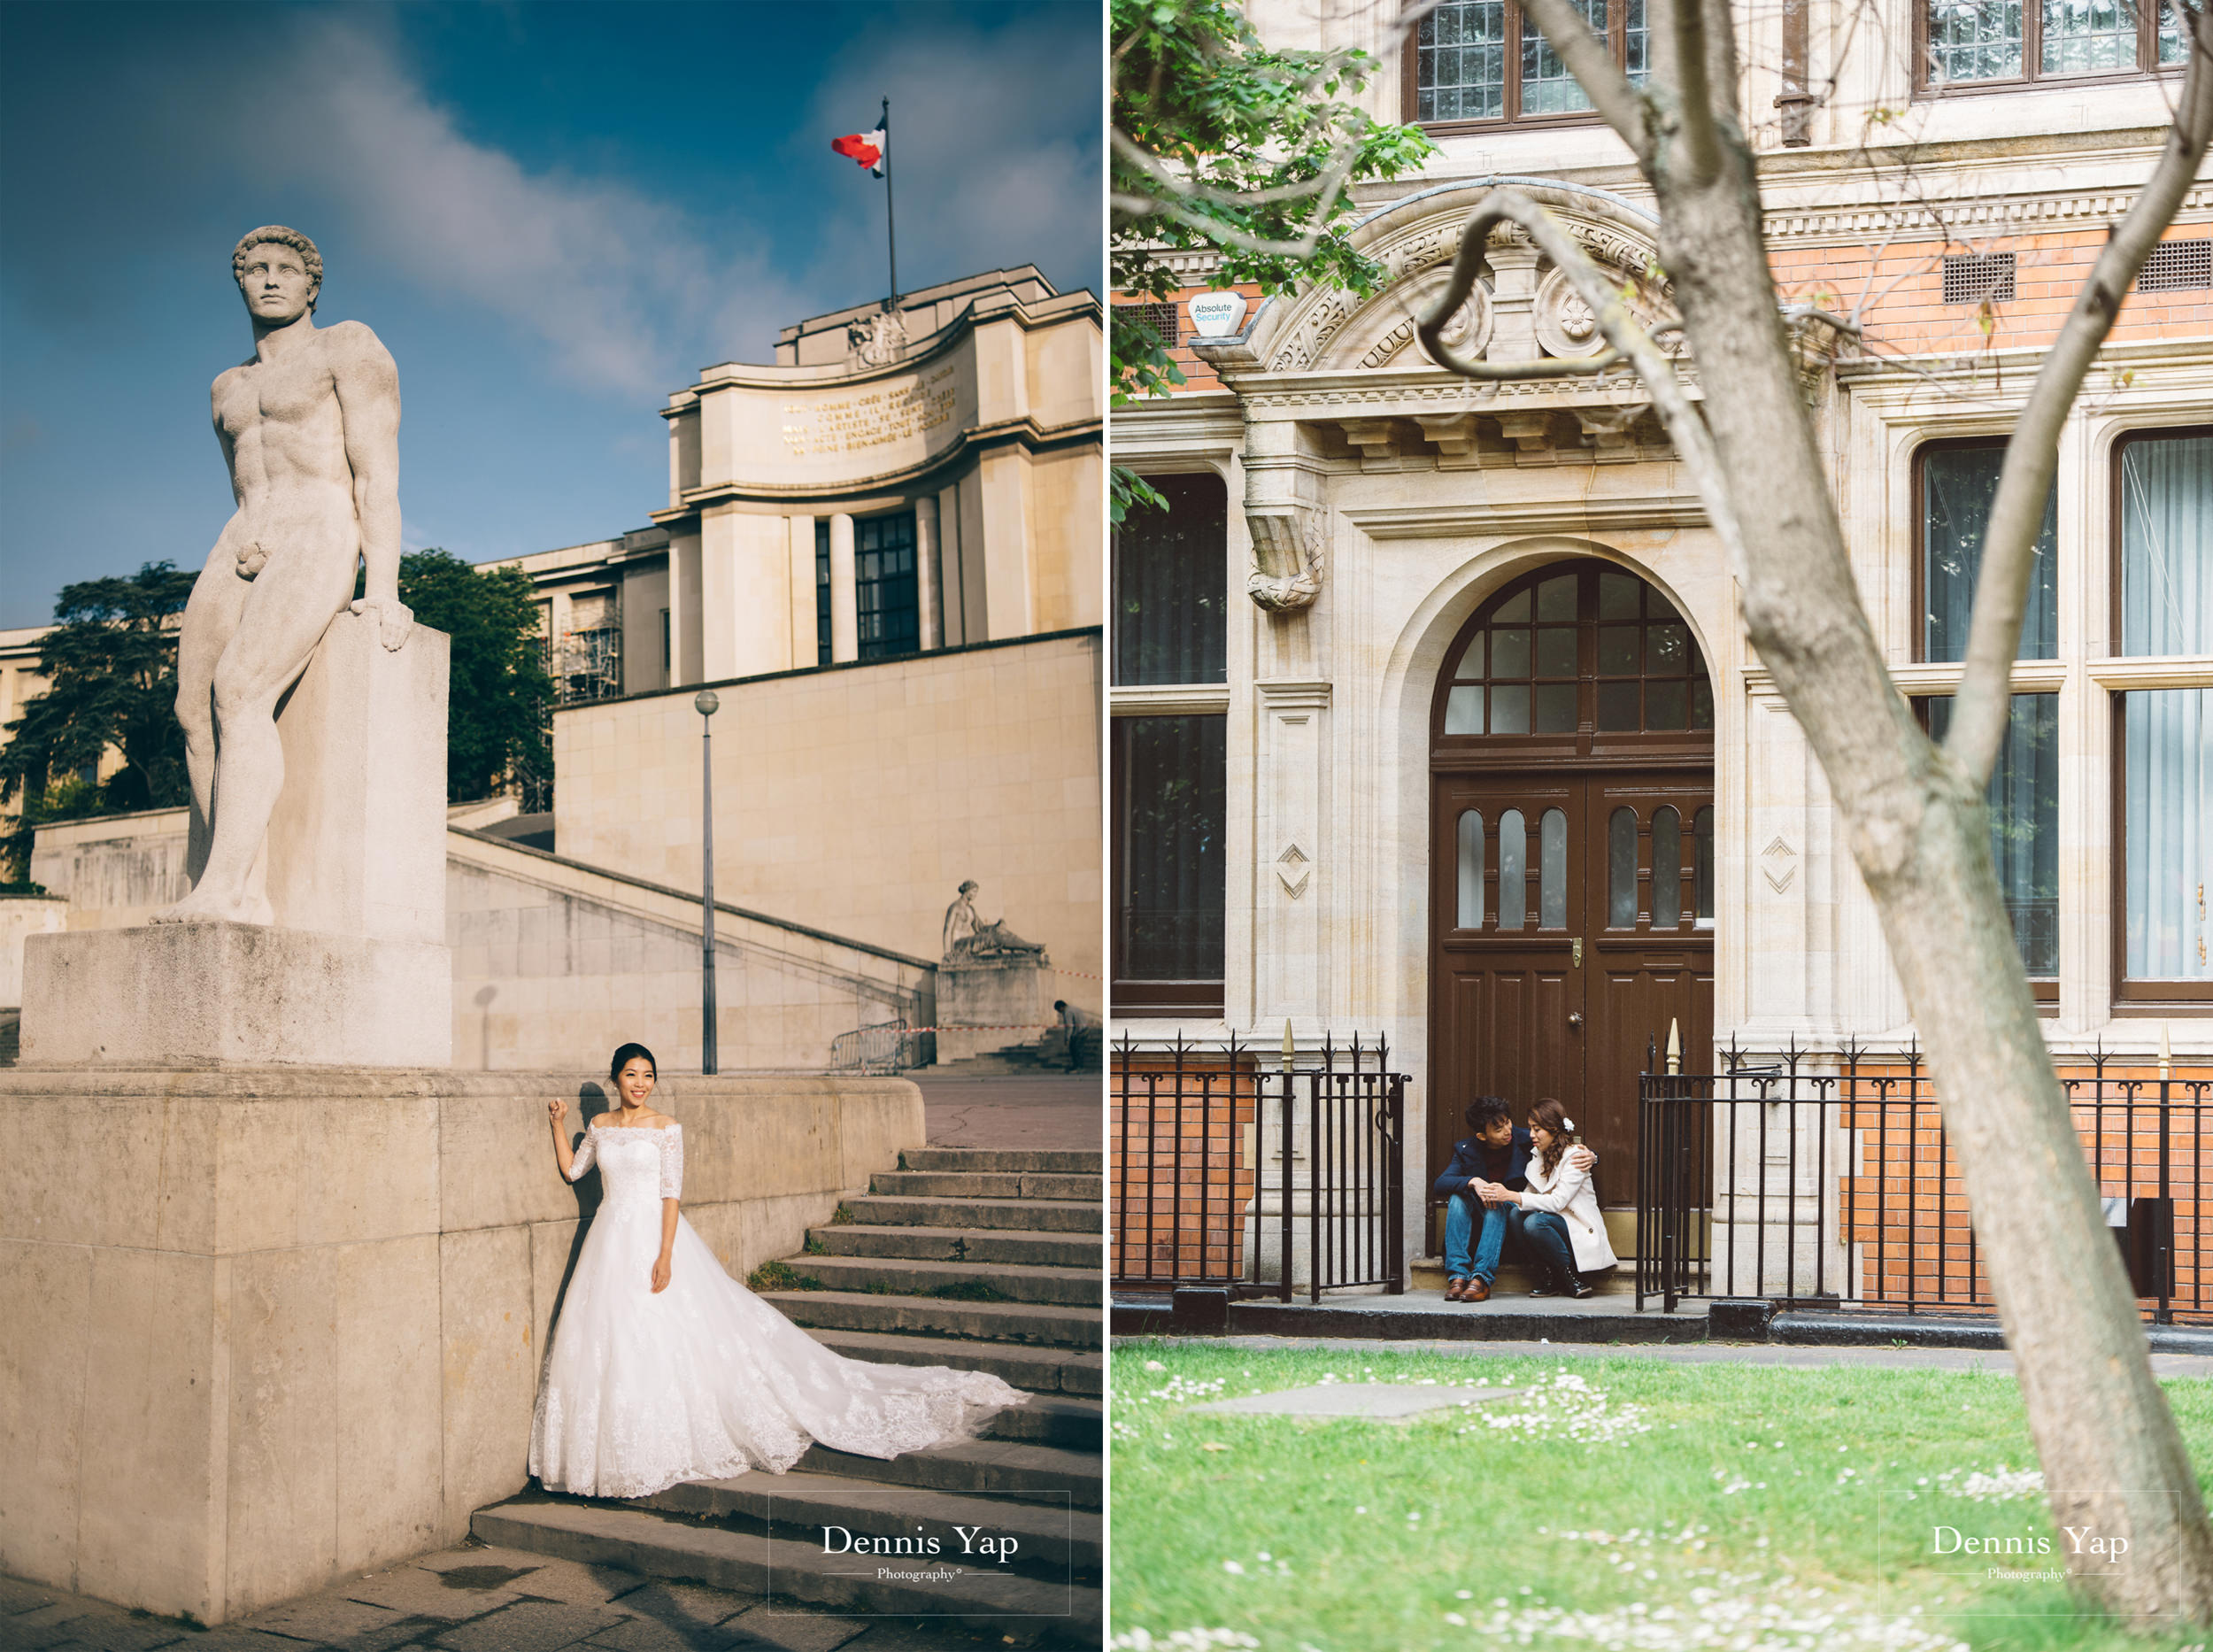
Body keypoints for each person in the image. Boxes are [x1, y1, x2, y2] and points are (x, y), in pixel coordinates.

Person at [530, 1042, 1028, 1499]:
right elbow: (575, 1170)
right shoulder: (601, 1128)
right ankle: (618, 1452)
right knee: (612, 1340)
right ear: (615, 1079)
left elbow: (671, 1196)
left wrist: (665, 1254)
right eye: (632, 1075)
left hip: (651, 1238)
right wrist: (559, 1122)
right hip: (608, 1239)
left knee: (664, 1332)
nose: (641, 1084)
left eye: (649, 1075)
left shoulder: (667, 1128)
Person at [158, 227, 412, 926]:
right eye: (256, 270)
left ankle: (232, 894)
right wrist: (251, 539)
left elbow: (376, 473)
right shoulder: (227, 387)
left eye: (286, 270)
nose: (270, 280)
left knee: (240, 689)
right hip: (244, 535)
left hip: (320, 523)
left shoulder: (347, 347)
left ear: (311, 287)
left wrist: (381, 587)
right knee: (191, 712)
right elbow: (244, 481)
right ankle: (221, 878)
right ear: (240, 283)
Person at [1431, 1096, 1594, 1302]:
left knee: (1497, 1202)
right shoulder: (1466, 1149)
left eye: (1507, 1122)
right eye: (1498, 1129)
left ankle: (1481, 1278)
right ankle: (1458, 1276)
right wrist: (1474, 1181)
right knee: (1457, 1198)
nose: (1507, 1131)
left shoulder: (1528, 1138)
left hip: (1512, 1221)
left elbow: (1563, 1142)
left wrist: (1592, 1156)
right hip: (1481, 1230)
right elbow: (1441, 1183)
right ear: (1482, 1135)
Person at [1496, 1098, 1619, 1298]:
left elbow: (1557, 1202)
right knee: (1515, 1215)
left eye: (1537, 1129)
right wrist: (1508, 1198)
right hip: (1554, 1227)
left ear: (1553, 1129)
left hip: (1577, 1227)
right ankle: (1547, 1276)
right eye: (1530, 1129)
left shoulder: (1575, 1157)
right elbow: (1529, 1196)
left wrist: (1513, 1195)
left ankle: (1571, 1277)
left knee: (1535, 1222)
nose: (1531, 1135)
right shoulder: (1538, 1155)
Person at [1054, 999, 1095, 1069]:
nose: (1059, 1012)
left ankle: (1077, 1066)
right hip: (1085, 1030)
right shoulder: (1074, 1008)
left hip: (1079, 1032)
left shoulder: (1067, 1012)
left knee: (1074, 1049)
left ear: (1061, 1007)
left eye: (1058, 1010)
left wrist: (1067, 1038)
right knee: (1079, 1049)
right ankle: (1079, 1065)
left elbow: (1069, 1027)